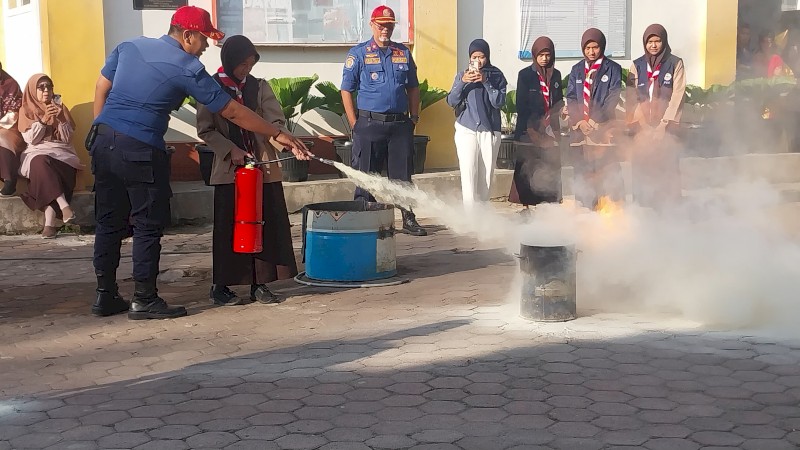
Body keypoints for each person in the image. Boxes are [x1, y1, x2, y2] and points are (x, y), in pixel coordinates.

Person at [91, 5, 310, 319]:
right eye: (204, 39)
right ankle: (144, 298)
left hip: (103, 141)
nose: (207, 47)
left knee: (109, 221)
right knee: (147, 224)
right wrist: (279, 133)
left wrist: (99, 129)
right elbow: (231, 112)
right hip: (140, 147)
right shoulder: (187, 67)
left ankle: (105, 295)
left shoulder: (130, 46)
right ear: (187, 34)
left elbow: (102, 87)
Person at [196, 35, 298, 306]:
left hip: (262, 169)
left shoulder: (260, 87)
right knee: (229, 226)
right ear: (229, 61)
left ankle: (260, 283)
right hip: (230, 170)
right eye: (242, 65)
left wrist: (287, 143)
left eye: (250, 65)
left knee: (264, 224)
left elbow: (275, 122)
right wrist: (231, 150)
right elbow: (206, 130)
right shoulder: (211, 88)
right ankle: (221, 286)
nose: (246, 70)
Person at [340, 5, 426, 236]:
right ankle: (363, 220)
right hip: (369, 125)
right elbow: (346, 90)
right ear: (372, 25)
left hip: (399, 125)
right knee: (366, 174)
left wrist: (413, 117)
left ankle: (408, 218)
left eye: (389, 25)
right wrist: (354, 123)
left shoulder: (402, 53)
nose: (385, 29)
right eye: (381, 25)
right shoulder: (358, 54)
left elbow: (413, 87)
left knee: (403, 176)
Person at [626, 24, 686, 209]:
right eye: (650, 41)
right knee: (642, 168)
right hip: (642, 128)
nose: (653, 45)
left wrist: (664, 125)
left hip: (666, 129)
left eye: (657, 41)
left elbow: (678, 94)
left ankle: (669, 211)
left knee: (666, 169)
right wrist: (642, 126)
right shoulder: (637, 65)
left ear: (664, 41)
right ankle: (642, 209)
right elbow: (631, 96)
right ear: (645, 43)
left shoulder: (675, 63)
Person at [17, 74, 83, 238]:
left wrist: (61, 119)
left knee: (45, 175)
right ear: (33, 90)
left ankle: (49, 224)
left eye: (49, 86)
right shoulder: (26, 110)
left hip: (62, 155)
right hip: (38, 152)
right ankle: (63, 206)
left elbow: (67, 139)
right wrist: (44, 120)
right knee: (40, 162)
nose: (46, 90)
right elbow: (31, 139)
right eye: (41, 87)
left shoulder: (61, 107)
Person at [566, 28, 623, 208]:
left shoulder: (613, 68)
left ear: (602, 47)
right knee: (583, 172)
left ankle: (610, 209)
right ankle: (584, 210)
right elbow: (572, 97)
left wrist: (596, 119)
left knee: (607, 171)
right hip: (581, 132)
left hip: (603, 130)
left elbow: (613, 97)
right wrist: (580, 122)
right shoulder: (576, 70)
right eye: (588, 47)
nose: (591, 51)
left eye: (595, 47)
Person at [446, 39, 507, 208]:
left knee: (486, 175)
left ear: (487, 57)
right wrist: (463, 82)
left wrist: (486, 81)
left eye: (482, 57)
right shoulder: (461, 75)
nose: (478, 61)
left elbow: (498, 102)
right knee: (469, 171)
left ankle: (483, 214)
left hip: (490, 131)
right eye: (474, 57)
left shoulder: (496, 75)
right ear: (469, 59)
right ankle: (470, 216)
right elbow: (451, 101)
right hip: (467, 128)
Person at [509, 36, 564, 212]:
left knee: (550, 166)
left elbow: (558, 101)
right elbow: (521, 105)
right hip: (529, 131)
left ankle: (549, 206)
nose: (544, 58)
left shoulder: (556, 75)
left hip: (550, 131)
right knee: (528, 168)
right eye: (541, 55)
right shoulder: (525, 75)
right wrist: (533, 129)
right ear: (534, 55)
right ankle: (527, 206)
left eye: (548, 54)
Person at [0, 63, 23, 197]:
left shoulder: (11, 85)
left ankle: (9, 181)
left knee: (1, 139)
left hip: (9, 128)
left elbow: (14, 114)